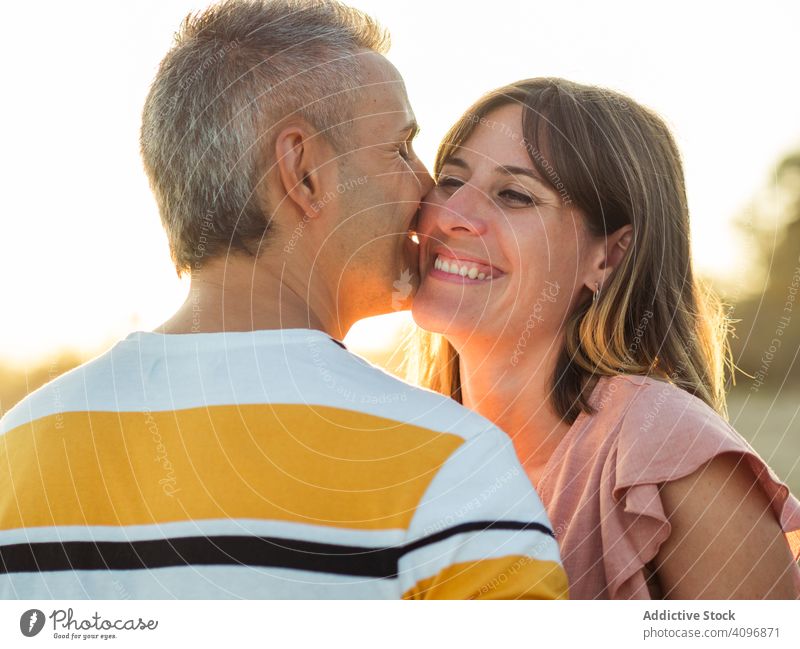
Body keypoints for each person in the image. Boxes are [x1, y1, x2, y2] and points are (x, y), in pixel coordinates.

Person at [0, 2, 566, 599]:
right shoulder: (456, 471)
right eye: (400, 148)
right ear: (303, 172)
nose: (428, 187)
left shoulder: (18, 451)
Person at [410, 77, 800, 599]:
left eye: (515, 195)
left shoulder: (664, 447)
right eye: (452, 181)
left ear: (610, 256)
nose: (451, 216)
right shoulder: (407, 446)